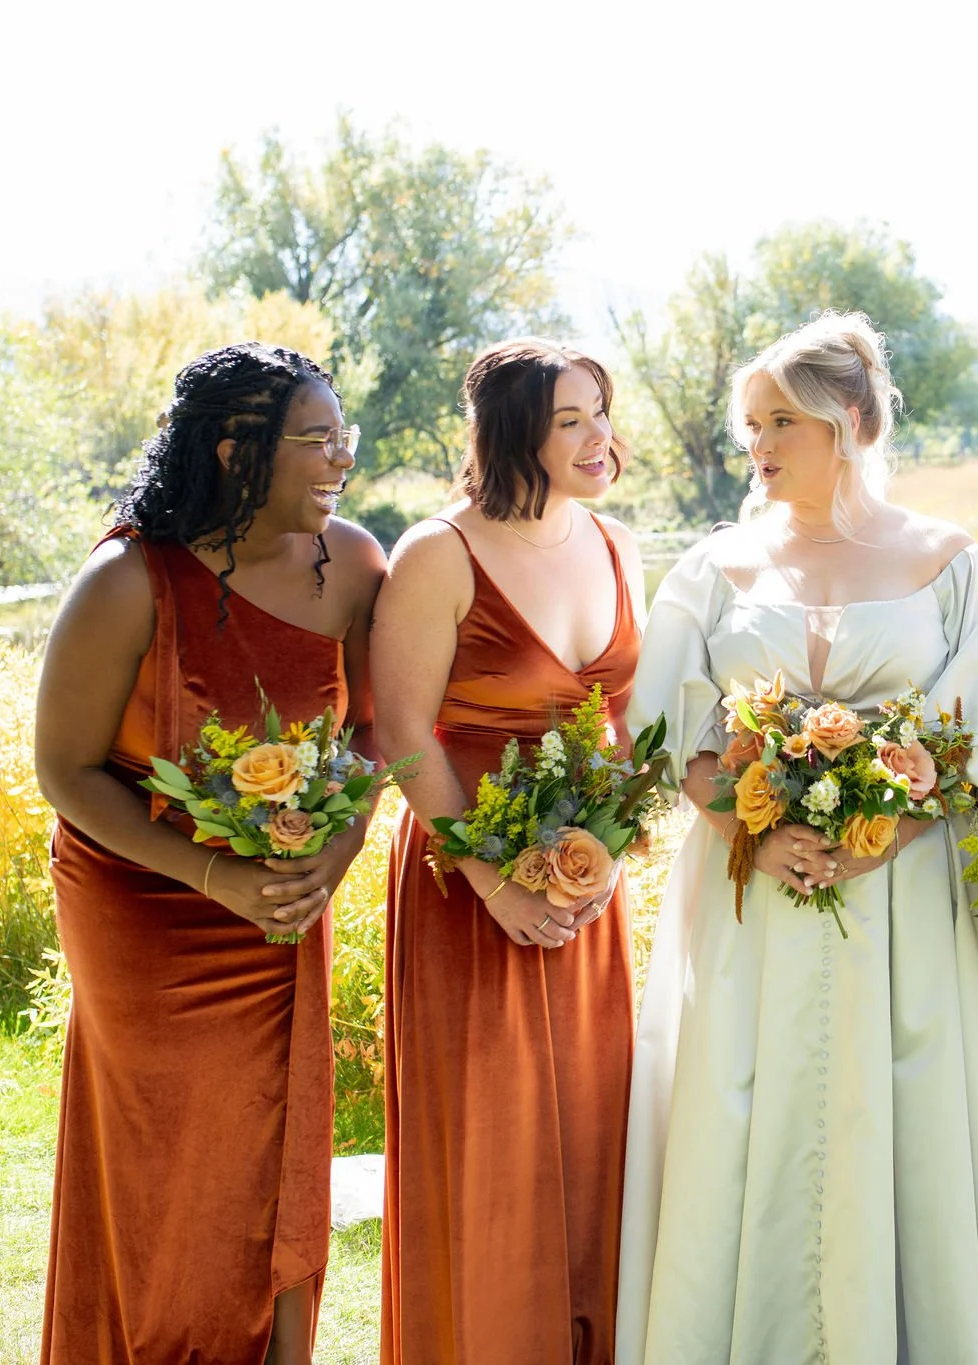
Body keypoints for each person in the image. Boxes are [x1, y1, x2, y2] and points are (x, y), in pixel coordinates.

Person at [615, 312, 978, 1364]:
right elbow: (672, 736)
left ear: (851, 422)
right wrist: (748, 833)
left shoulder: (958, 568)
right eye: (751, 424)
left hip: (906, 900)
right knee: (739, 1107)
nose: (756, 444)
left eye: (781, 422)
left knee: (900, 1111)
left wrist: (884, 831)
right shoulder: (711, 569)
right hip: (747, 899)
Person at [33, 343, 383, 1364]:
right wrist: (210, 873)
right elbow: (65, 769)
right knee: (167, 1155)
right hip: (141, 902)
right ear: (237, 449)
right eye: (317, 439)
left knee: (272, 1141)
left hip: (280, 901)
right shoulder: (126, 581)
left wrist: (340, 847)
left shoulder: (356, 565)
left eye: (344, 437)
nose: (341, 459)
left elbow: (372, 731)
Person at [372, 339, 646, 1364]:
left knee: (592, 1129)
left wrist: (610, 851)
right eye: (570, 419)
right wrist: (491, 882)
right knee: (490, 1137)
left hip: (585, 887)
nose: (598, 437)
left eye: (601, 412)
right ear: (510, 434)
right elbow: (403, 733)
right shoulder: (438, 553)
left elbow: (625, 726)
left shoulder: (617, 544)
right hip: (467, 879)